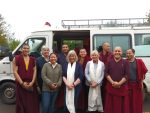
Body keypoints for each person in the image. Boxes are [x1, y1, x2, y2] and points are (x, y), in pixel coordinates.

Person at [12, 43, 39, 113]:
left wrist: (32, 82)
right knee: (21, 103)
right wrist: (22, 83)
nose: (26, 50)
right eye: (24, 48)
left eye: (27, 48)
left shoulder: (33, 59)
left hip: (31, 85)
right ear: (21, 49)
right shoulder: (16, 58)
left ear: (29, 49)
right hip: (21, 85)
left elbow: (35, 71)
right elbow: (15, 72)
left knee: (31, 103)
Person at [104, 46, 129, 113]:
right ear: (113, 52)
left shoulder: (126, 62)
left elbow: (127, 75)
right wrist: (112, 82)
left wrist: (119, 83)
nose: (117, 52)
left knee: (121, 107)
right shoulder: (109, 62)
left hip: (122, 87)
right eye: (115, 51)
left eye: (119, 51)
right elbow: (106, 73)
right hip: (111, 87)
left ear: (121, 52)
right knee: (110, 106)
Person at [126, 49, 148, 113]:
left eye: (130, 53)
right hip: (127, 85)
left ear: (133, 53)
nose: (128, 54)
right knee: (128, 102)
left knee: (137, 102)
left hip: (137, 85)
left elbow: (144, 72)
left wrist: (141, 82)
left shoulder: (139, 61)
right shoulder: (124, 62)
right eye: (127, 53)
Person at [99, 42, 113, 107]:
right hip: (100, 75)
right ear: (103, 47)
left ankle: (108, 105)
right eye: (107, 46)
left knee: (108, 91)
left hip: (109, 75)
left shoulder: (111, 54)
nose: (109, 48)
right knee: (101, 91)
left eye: (109, 46)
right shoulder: (99, 55)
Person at [56, 44, 70, 109]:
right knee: (61, 92)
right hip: (61, 76)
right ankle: (61, 106)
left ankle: (68, 105)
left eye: (66, 47)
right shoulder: (58, 56)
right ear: (62, 49)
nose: (65, 48)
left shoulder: (70, 56)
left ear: (68, 48)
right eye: (63, 47)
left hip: (70, 76)